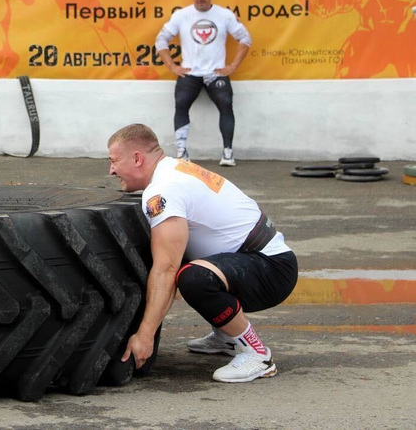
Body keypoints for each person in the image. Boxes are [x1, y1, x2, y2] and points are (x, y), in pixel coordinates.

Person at [108, 123, 297, 383]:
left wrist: (145, 334)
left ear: (137, 158)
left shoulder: (163, 189)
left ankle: (257, 354)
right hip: (254, 258)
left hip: (271, 269)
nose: (111, 169)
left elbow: (166, 269)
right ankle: (226, 336)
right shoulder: (173, 168)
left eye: (114, 160)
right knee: (173, 253)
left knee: (192, 277)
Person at [155, 0, 251, 166]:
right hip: (190, 73)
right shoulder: (182, 15)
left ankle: (227, 152)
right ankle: (182, 152)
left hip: (215, 73)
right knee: (181, 104)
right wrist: (173, 66)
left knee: (226, 104)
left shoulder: (224, 15)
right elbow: (161, 40)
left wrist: (232, 66)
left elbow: (245, 38)